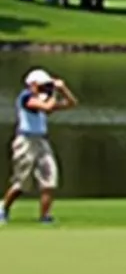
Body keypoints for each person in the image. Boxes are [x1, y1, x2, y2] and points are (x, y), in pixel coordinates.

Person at [1, 68, 77, 225]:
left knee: (49, 179)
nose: (46, 88)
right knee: (22, 182)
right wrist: (54, 93)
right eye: (43, 85)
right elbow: (47, 107)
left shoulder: (44, 98)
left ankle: (45, 216)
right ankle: (3, 209)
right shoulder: (26, 97)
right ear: (33, 85)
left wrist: (63, 89)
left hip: (42, 141)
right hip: (25, 142)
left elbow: (71, 103)